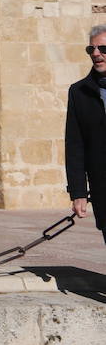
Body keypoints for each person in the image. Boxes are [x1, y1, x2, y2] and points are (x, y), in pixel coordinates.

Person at [67, 25, 106, 244]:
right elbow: (75, 144)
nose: (96, 54)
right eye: (91, 49)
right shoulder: (79, 92)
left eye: (103, 48)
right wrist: (78, 191)